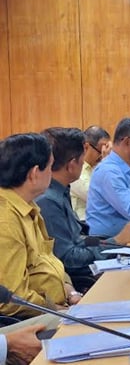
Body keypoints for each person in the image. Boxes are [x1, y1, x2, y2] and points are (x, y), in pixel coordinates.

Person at [37, 128, 130, 292]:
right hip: (79, 279)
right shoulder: (48, 200)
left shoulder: (61, 191)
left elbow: (79, 239)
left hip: (89, 265)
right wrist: (115, 241)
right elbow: (68, 258)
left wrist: (112, 242)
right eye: (82, 158)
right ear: (72, 164)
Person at [0, 133, 82, 318]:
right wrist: (59, 311)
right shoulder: (5, 220)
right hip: (24, 320)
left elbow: (49, 261)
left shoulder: (29, 206)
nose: (53, 174)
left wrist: (71, 293)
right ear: (35, 173)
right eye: (51, 167)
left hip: (56, 307)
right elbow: (12, 299)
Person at [70, 125, 111, 220]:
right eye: (101, 150)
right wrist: (106, 163)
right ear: (86, 147)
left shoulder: (95, 167)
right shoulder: (75, 169)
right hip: (83, 225)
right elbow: (100, 198)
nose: (103, 155)